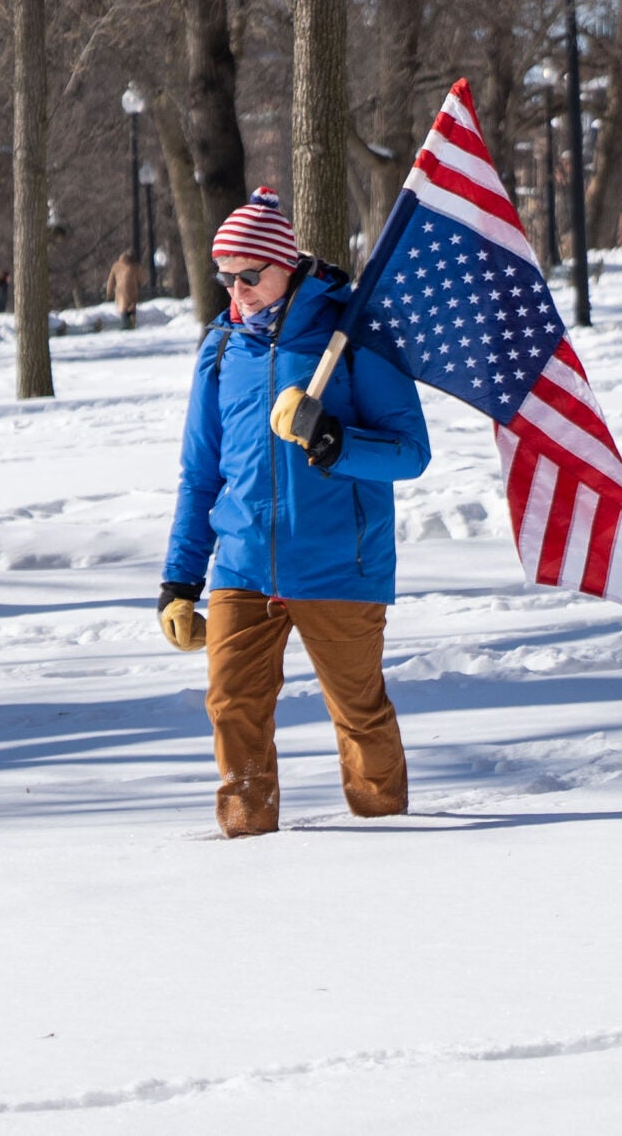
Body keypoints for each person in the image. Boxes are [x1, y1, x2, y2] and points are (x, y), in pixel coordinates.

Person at [158, 187, 432, 839]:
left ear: (287, 263)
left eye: (251, 274)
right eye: (228, 276)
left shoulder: (355, 334)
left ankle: (390, 837)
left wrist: (334, 440)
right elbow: (201, 474)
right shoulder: (223, 348)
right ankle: (247, 841)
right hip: (244, 561)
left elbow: (410, 452)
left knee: (358, 710)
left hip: (340, 561)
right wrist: (179, 580)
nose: (239, 290)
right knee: (231, 704)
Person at [105, 250, 144, 330]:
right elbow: (141, 279)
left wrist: (109, 292)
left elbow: (110, 280)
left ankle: (125, 326)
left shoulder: (116, 266)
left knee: (123, 310)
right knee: (131, 309)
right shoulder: (135, 266)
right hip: (132, 291)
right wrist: (139, 284)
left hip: (120, 292)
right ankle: (131, 326)